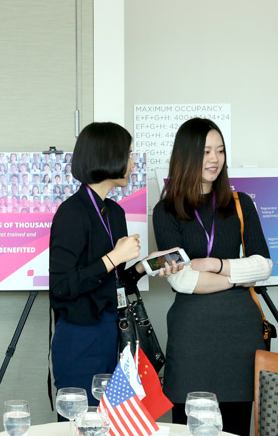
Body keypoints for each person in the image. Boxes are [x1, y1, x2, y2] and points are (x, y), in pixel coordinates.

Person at [153, 118, 272, 436]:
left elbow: (263, 267)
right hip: (192, 336)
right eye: (206, 151)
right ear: (187, 155)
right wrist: (239, 275)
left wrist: (215, 265)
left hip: (240, 334)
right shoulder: (166, 210)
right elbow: (183, 281)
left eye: (220, 151)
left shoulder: (241, 204)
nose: (214, 159)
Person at [49, 122, 181, 405]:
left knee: (117, 424)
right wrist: (114, 257)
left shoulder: (115, 213)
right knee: (82, 423)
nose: (132, 163)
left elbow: (115, 282)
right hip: (80, 339)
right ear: (108, 156)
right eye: (128, 155)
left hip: (116, 336)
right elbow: (62, 287)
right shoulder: (71, 213)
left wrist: (145, 267)